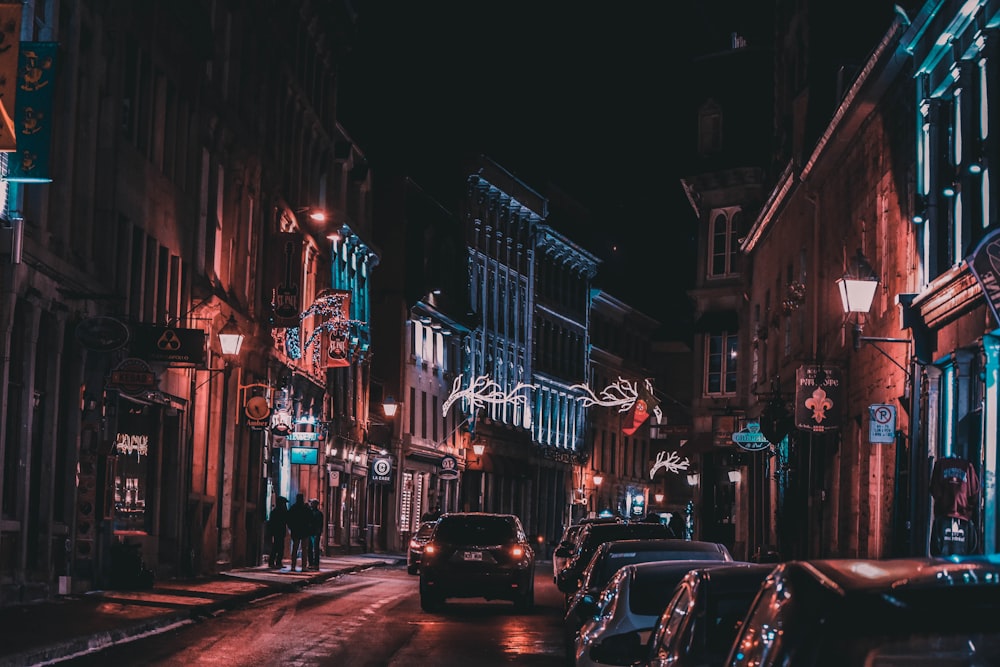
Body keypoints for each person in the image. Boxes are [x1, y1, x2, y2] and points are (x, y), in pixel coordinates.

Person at [286, 493, 311, 571]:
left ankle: (293, 566)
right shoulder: (306, 508)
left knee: (295, 549)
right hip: (304, 531)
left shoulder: (293, 508)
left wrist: (292, 528)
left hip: (296, 531)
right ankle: (303, 566)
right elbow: (310, 519)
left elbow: (288, 519)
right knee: (304, 549)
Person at [265, 496, 288, 569]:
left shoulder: (274, 512)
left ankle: (274, 562)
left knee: (277, 547)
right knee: (278, 547)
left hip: (277, 532)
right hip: (279, 532)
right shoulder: (281, 512)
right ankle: (275, 562)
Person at [307, 498, 324, 570]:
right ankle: (312, 563)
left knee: (314, 548)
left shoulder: (316, 513)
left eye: (312, 503)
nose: (311, 505)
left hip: (314, 533)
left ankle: (313, 563)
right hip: (313, 532)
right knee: (312, 548)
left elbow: (319, 524)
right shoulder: (318, 513)